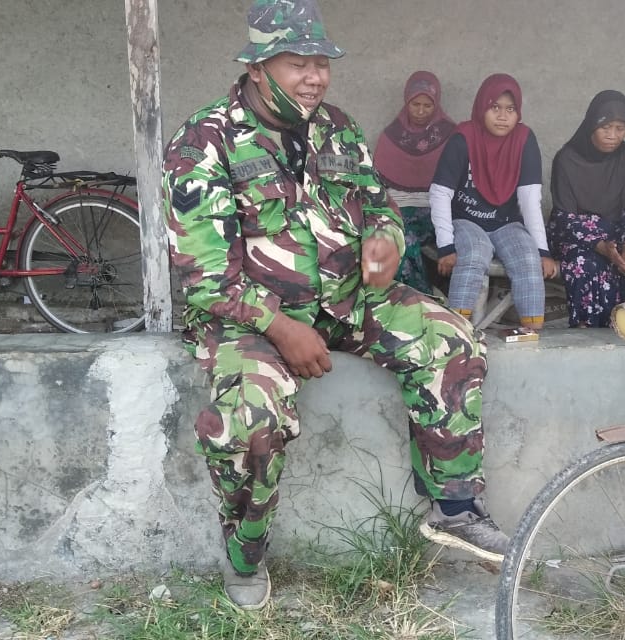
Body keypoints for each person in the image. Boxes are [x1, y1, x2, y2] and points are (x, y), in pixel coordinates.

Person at [160, 0, 509, 611]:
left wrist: (387, 241)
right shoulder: (204, 141)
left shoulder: (337, 127)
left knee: (450, 337)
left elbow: (380, 206)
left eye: (321, 62)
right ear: (259, 66)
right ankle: (246, 553)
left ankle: (453, 507)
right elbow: (205, 277)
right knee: (251, 415)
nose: (314, 76)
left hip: (349, 300)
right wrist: (281, 328)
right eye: (298, 63)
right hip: (250, 319)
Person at [429, 74, 558, 332]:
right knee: (475, 252)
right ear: (481, 107)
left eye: (510, 109)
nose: (502, 116)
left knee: (527, 258)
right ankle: (457, 332)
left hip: (506, 223)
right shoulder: (463, 137)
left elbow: (530, 199)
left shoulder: (523, 140)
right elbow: (440, 193)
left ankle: (531, 334)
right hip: (466, 219)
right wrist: (445, 245)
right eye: (495, 107)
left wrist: (542, 252)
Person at [547, 90, 625, 328]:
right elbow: (565, 217)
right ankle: (589, 338)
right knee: (586, 268)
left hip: (619, 236)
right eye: (606, 127)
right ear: (592, 125)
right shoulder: (567, 159)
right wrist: (601, 247)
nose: (612, 136)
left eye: (620, 128)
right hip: (574, 236)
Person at [373, 71, 457, 295]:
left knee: (405, 237)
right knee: (392, 237)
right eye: (415, 104)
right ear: (406, 102)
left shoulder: (451, 136)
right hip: (399, 208)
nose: (420, 111)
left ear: (436, 103)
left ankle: (421, 300)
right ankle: (418, 298)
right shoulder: (391, 136)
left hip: (438, 210)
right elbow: (377, 185)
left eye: (427, 105)